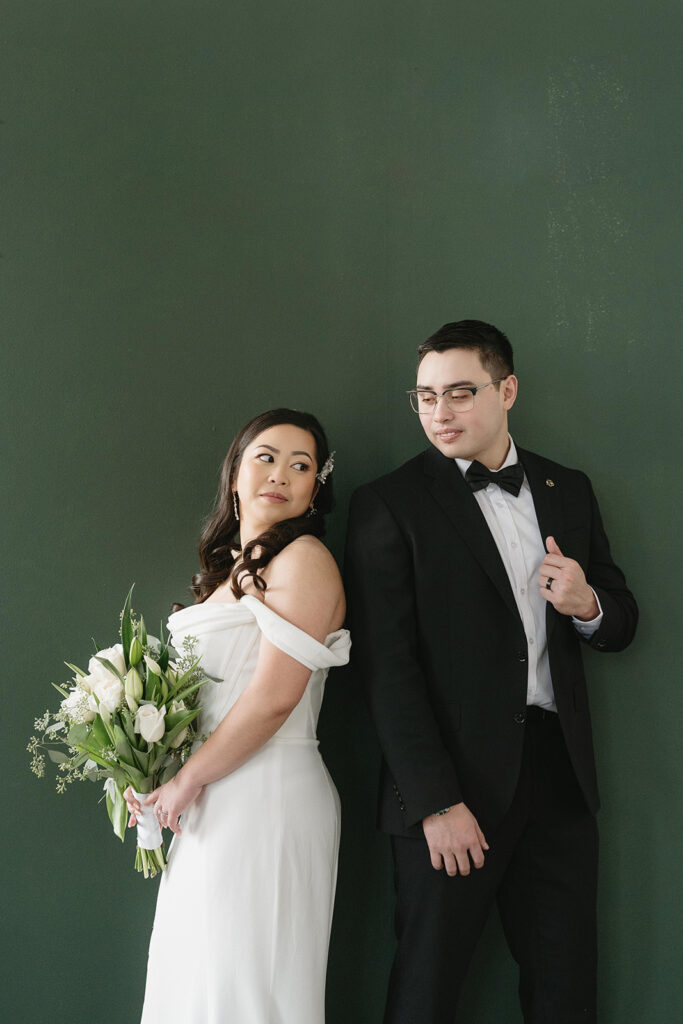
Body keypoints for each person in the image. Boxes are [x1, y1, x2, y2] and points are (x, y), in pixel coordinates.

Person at [345, 321, 637, 1024]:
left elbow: (620, 622)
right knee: (426, 987)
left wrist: (586, 604)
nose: (439, 413)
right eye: (424, 397)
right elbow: (387, 670)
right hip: (451, 787)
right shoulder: (387, 504)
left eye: (459, 393)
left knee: (565, 990)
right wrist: (436, 803)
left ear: (505, 390)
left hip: (558, 781)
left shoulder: (568, 487)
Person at [125, 408, 350, 1024]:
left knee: (251, 987)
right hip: (209, 798)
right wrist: (151, 770)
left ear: (314, 489)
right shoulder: (225, 576)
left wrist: (186, 780)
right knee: (199, 981)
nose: (281, 474)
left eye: (301, 466)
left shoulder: (303, 559)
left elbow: (276, 697)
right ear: (235, 474)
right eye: (266, 457)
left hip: (268, 797)